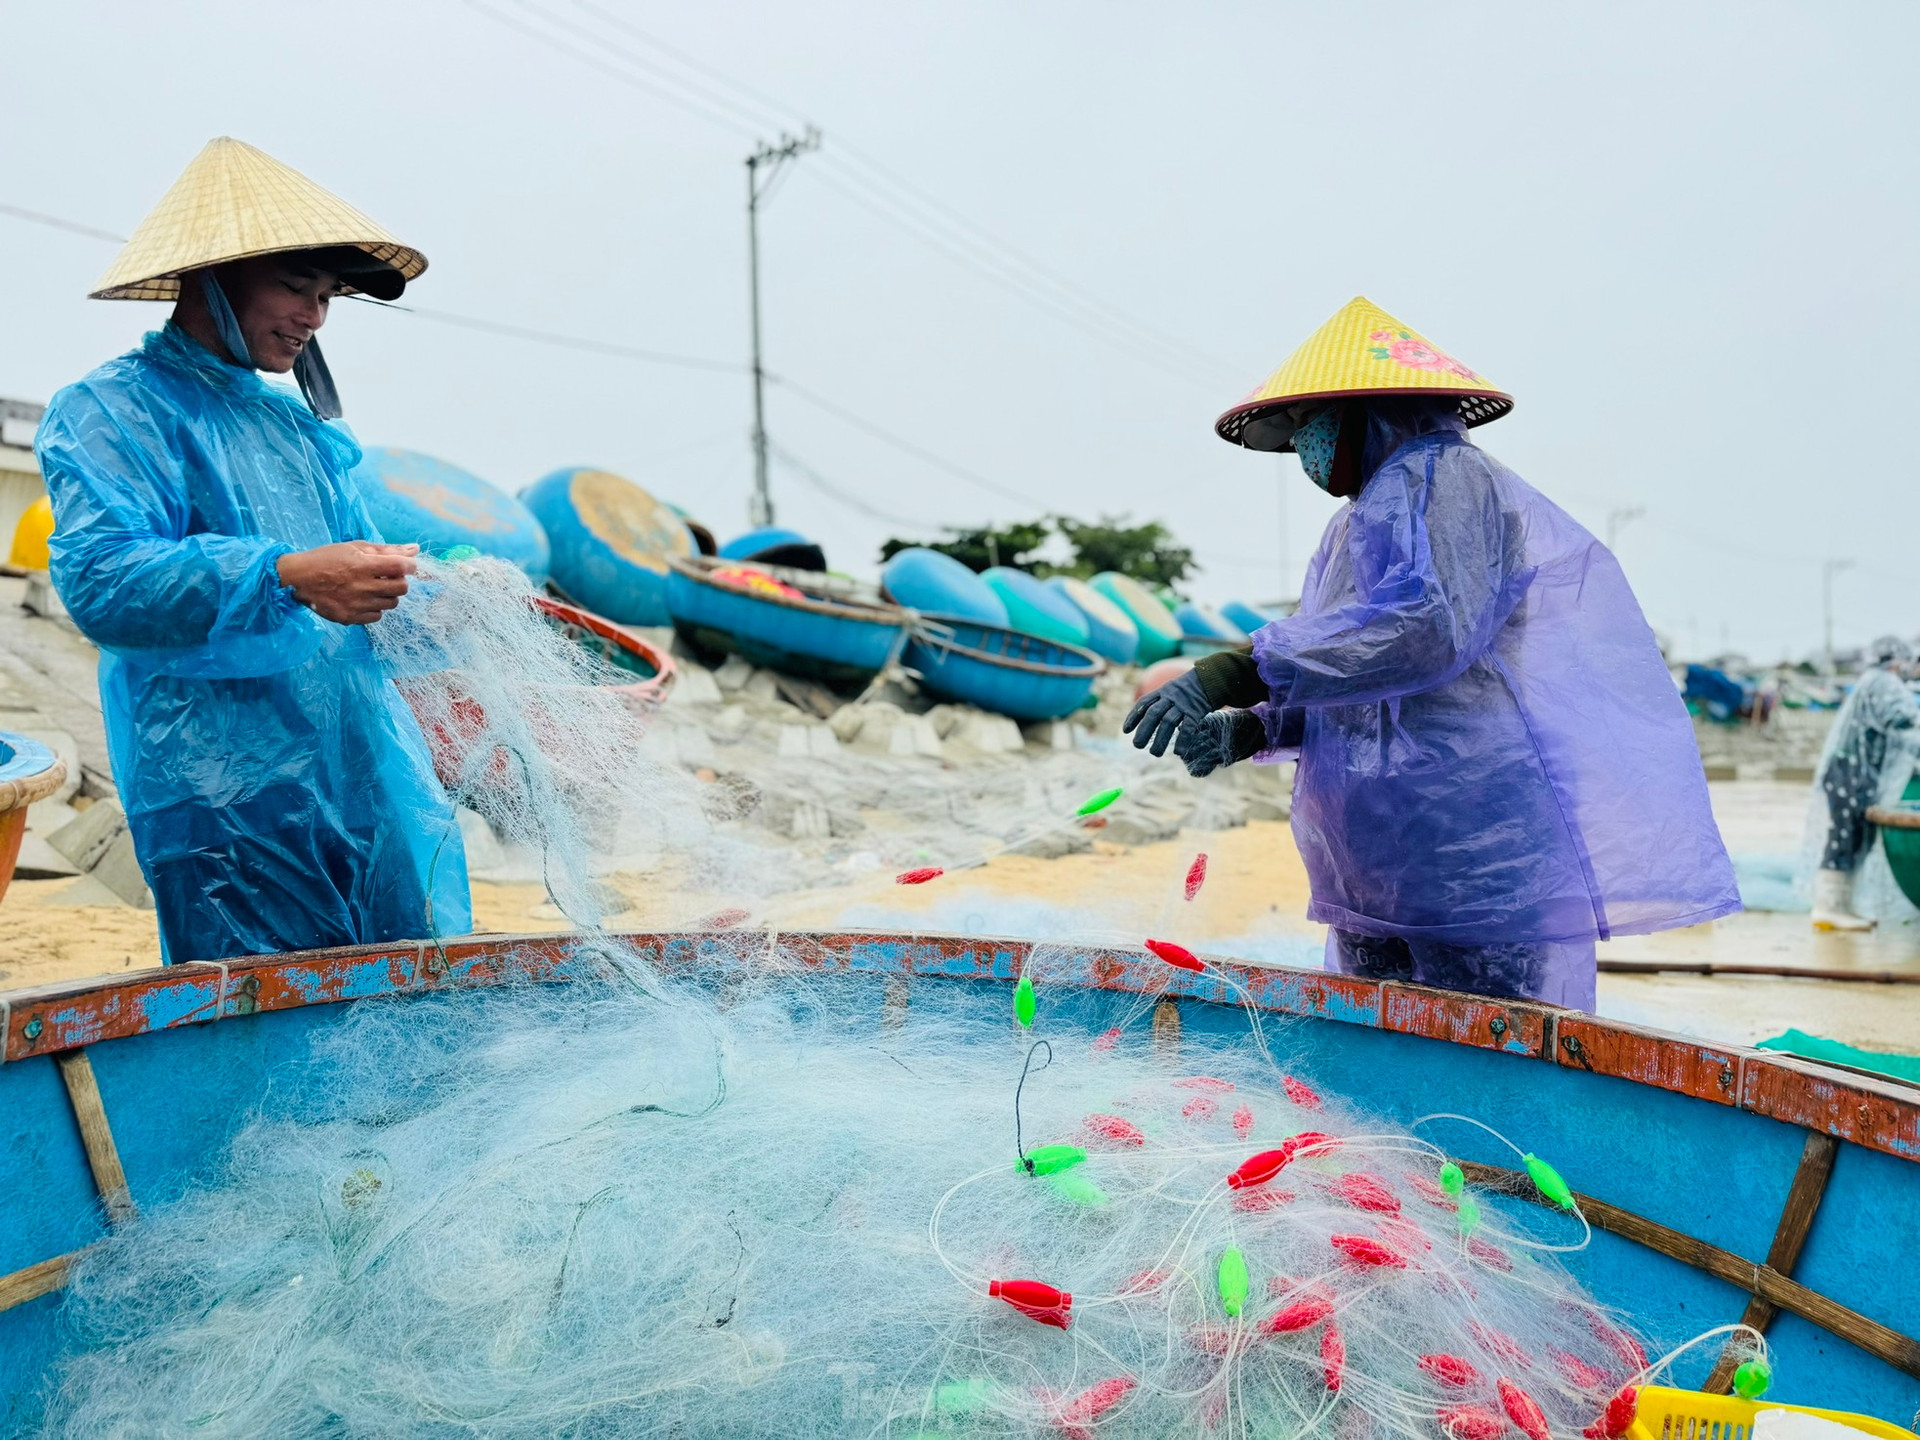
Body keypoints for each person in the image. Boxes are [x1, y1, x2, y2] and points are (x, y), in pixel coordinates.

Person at [1125, 297, 1738, 1009]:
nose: (1304, 448)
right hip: (1372, 867)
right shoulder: (1348, 529)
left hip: (1471, 853)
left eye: (1311, 427)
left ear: (1368, 412)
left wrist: (1233, 670)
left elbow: (1423, 634)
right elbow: (1348, 680)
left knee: (1487, 1070)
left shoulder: (1448, 481)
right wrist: (1258, 728)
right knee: (1375, 1087)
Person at [35, 137, 470, 964]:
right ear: (212, 280)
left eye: (327, 296)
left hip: (357, 774)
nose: (313, 316)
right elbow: (103, 581)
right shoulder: (111, 410)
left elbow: (350, 585)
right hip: (220, 794)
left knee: (399, 1020)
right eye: (295, 289)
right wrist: (284, 574)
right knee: (266, 1031)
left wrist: (409, 586)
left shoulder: (298, 431)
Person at [1806, 636, 1919, 931]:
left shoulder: (1874, 681)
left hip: (1852, 772)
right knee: (1846, 837)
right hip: (1849, 773)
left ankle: (1842, 906)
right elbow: (1905, 725)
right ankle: (1828, 907)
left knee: (1855, 838)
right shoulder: (1886, 684)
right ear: (1898, 660)